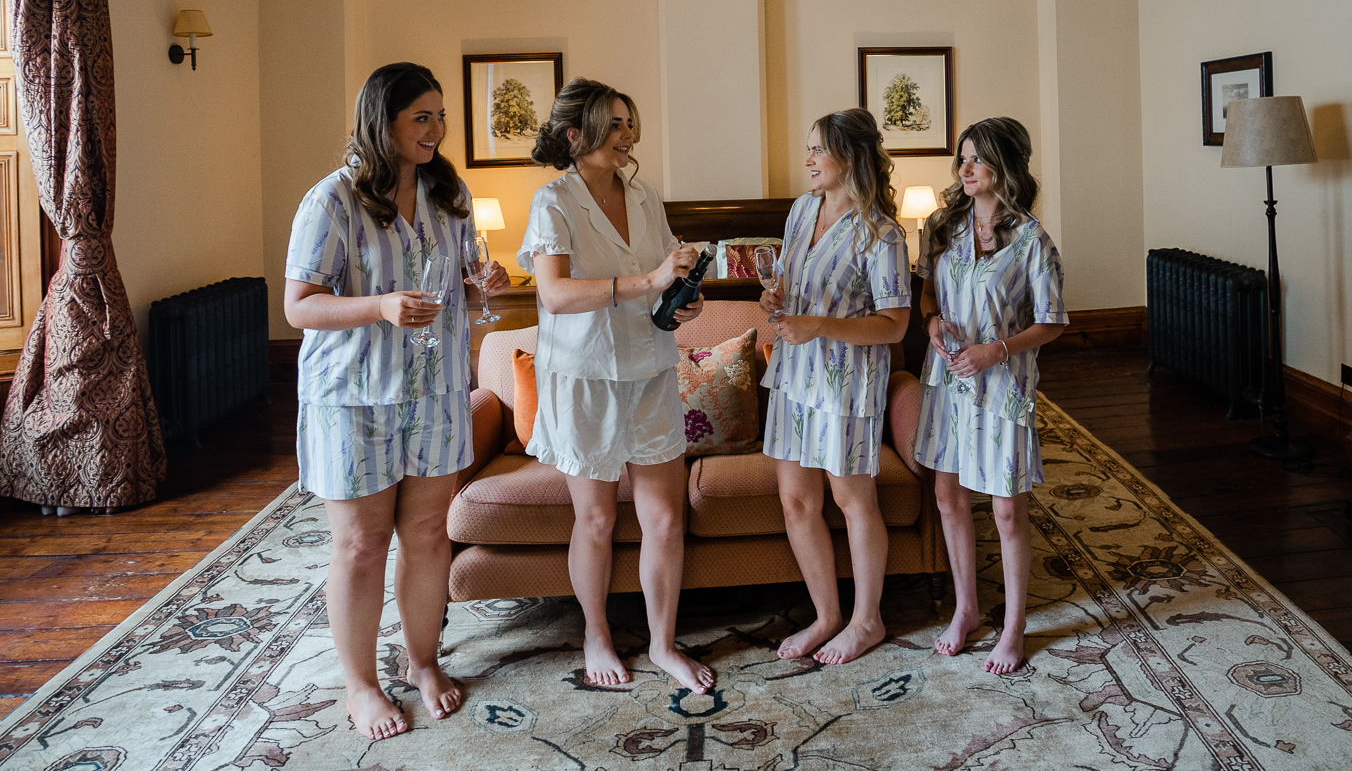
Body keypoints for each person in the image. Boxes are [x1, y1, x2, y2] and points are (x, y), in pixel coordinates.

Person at [284, 62, 510, 740]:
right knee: (360, 545)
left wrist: (483, 285)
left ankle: (421, 661)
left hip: (436, 395)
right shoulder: (330, 201)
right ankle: (360, 687)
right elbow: (299, 307)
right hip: (354, 398)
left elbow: (459, 287)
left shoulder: (449, 195)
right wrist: (379, 306)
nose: (437, 131)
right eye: (422, 117)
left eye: (440, 117)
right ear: (381, 122)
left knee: (426, 534)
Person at [518, 77, 715, 694]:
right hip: (583, 377)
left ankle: (662, 644)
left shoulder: (645, 195)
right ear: (575, 135)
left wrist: (685, 299)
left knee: (665, 519)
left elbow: (665, 272)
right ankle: (596, 633)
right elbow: (553, 294)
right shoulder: (553, 201)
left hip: (650, 368)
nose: (628, 136)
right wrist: (649, 280)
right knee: (597, 520)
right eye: (615, 125)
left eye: (631, 123)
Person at [914, 117, 1066, 674]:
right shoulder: (944, 225)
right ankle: (967, 609)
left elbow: (1052, 322)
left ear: (1005, 166)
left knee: (1006, 509)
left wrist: (996, 351)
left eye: (978, 159)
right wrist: (931, 321)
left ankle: (1015, 625)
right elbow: (928, 286)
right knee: (948, 497)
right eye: (963, 158)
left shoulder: (1031, 240)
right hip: (948, 378)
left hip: (1003, 383)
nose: (966, 168)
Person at [760, 109, 911, 665]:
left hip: (846, 385)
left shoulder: (882, 231)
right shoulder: (802, 211)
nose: (807, 161)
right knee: (797, 502)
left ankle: (866, 621)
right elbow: (787, 286)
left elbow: (896, 324)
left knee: (851, 500)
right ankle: (826, 616)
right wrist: (773, 300)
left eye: (817, 151)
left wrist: (819, 324)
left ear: (848, 157)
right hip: (793, 378)